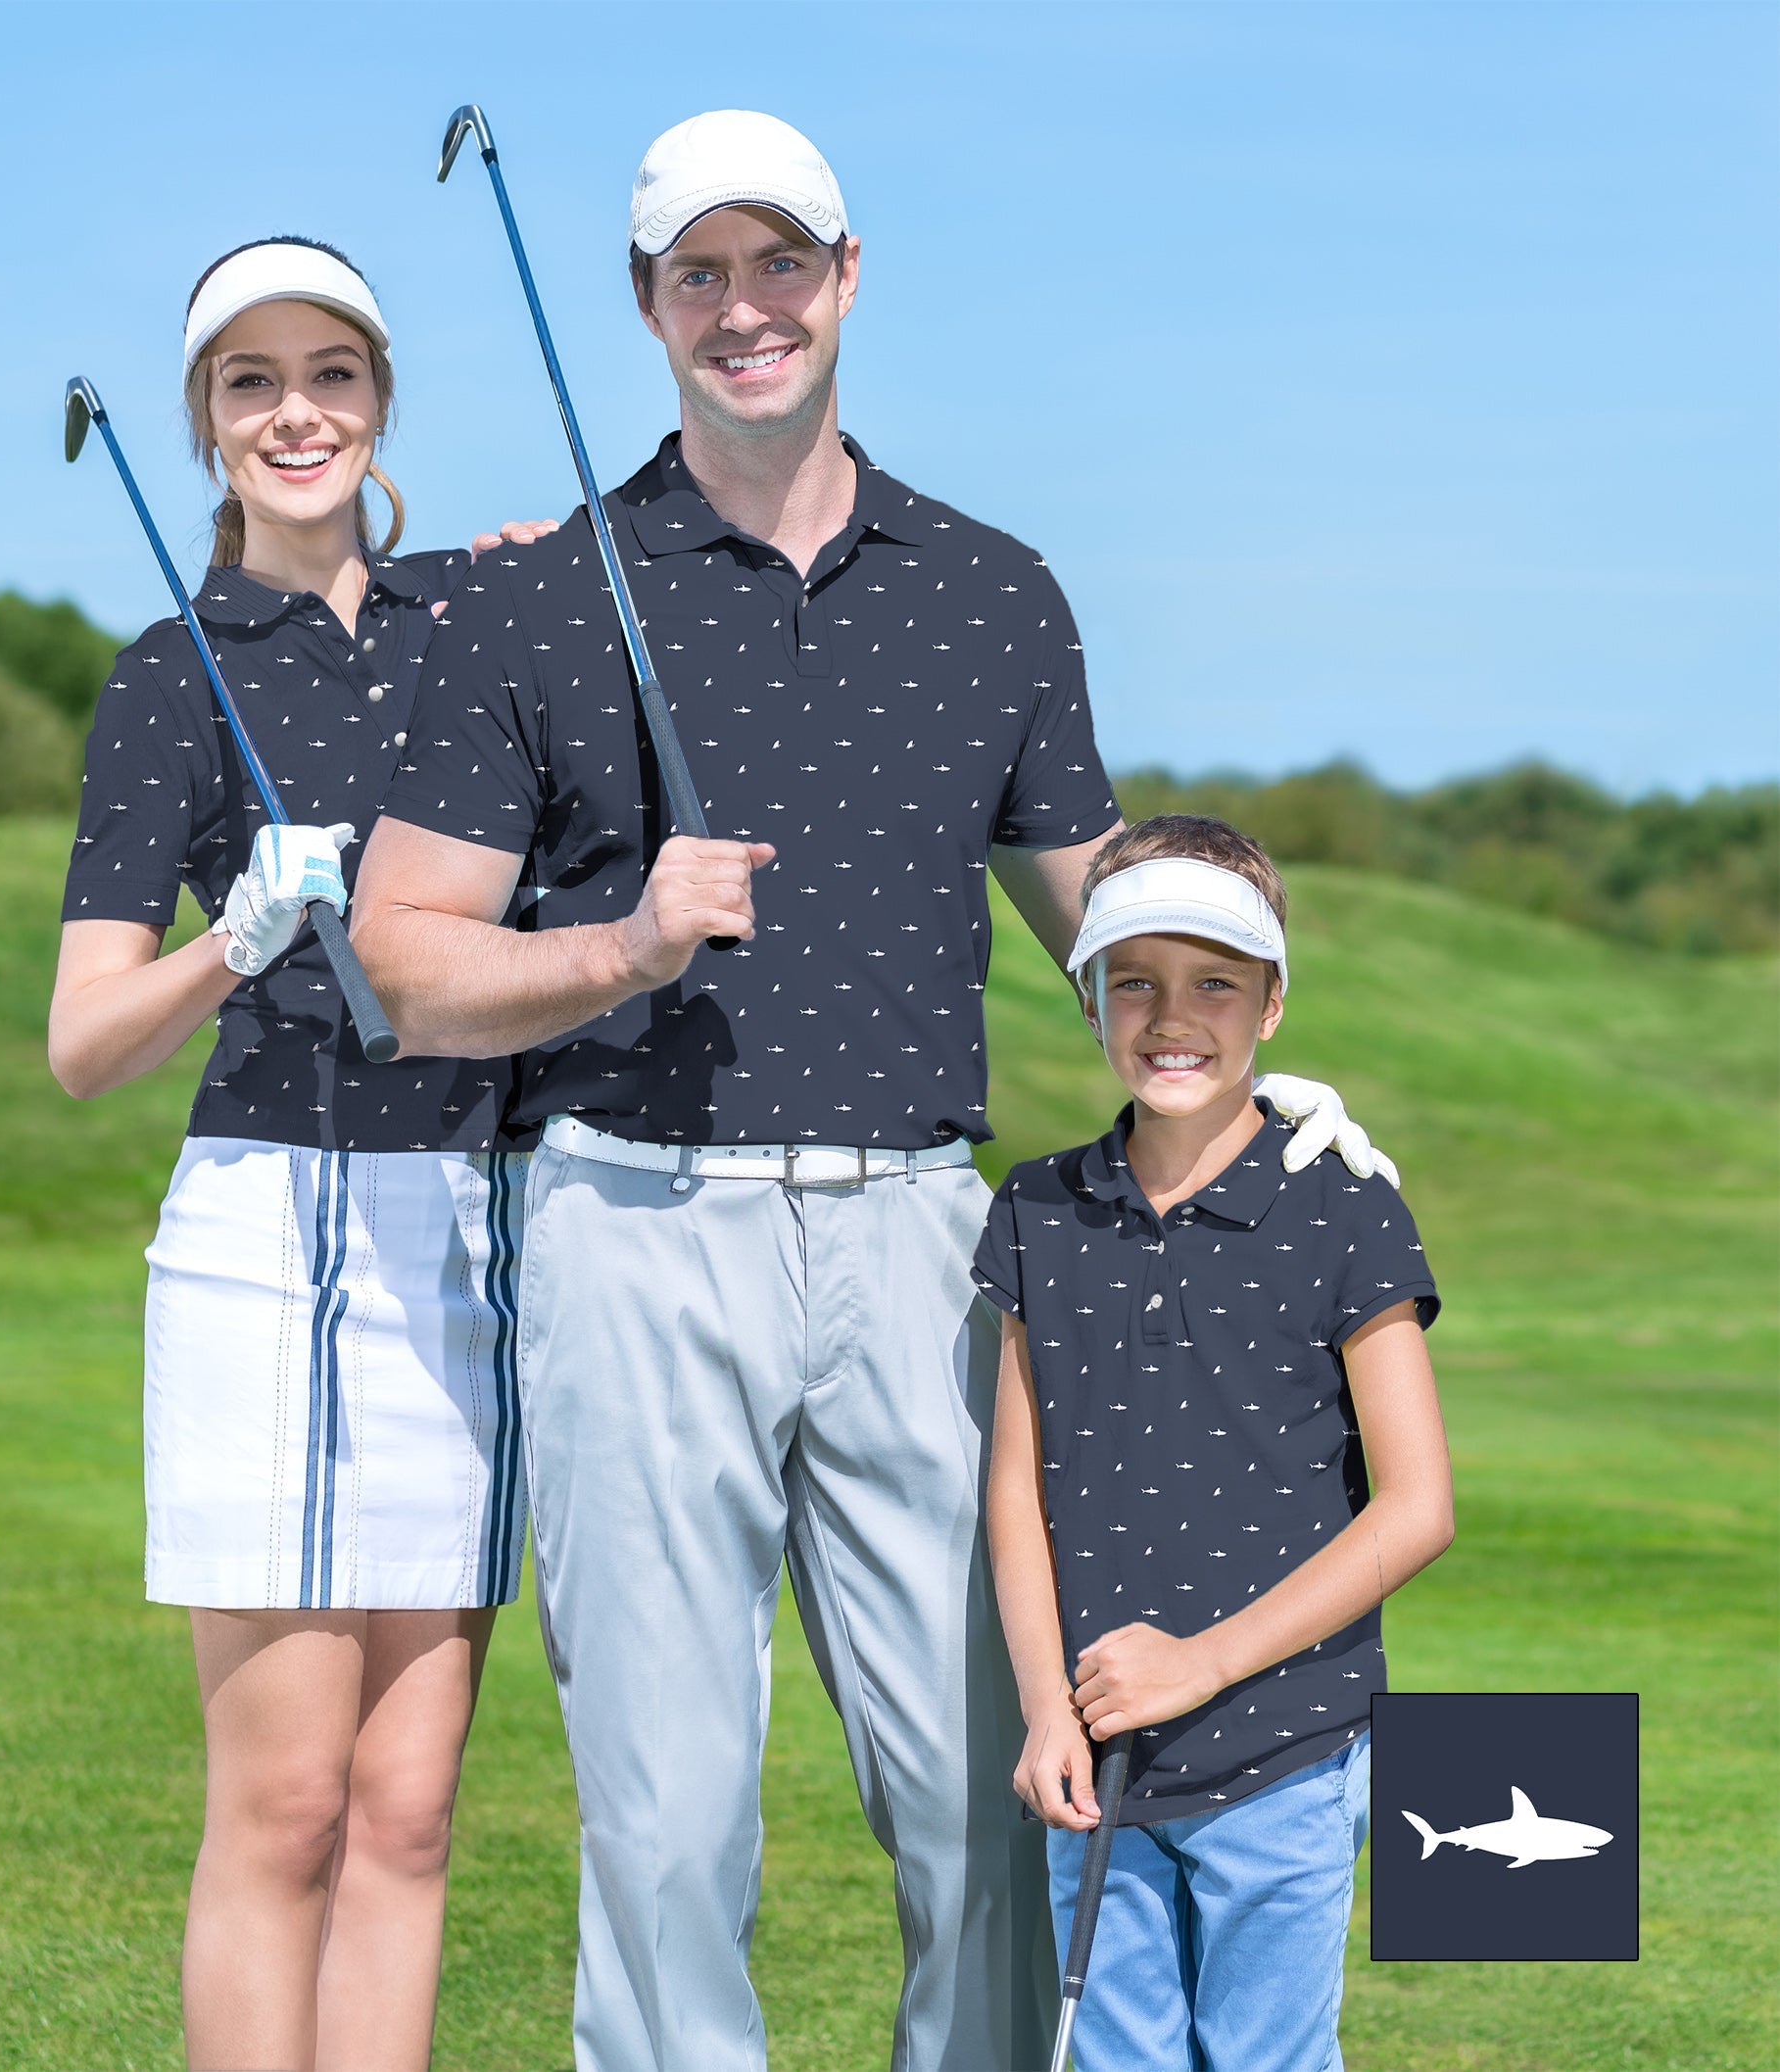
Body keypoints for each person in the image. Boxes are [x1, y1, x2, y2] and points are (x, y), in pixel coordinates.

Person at [350, 114, 1385, 2071]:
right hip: (630, 1227)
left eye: (779, 264)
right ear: (646, 306)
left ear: (845, 275)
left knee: (996, 1788)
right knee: (667, 1822)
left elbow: (1106, 924)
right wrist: (612, 950)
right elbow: (403, 956)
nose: (745, 309)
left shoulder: (997, 595)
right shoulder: (534, 598)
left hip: (926, 1244)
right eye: (698, 274)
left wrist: (1260, 1052)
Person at [48, 236, 553, 2072]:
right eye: (251, 382)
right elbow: (84, 1042)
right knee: (285, 1809)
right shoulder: (164, 677)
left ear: (379, 401)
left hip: (459, 1232)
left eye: (329, 374)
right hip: (266, 1228)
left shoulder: (482, 631)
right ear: (205, 422)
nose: (295, 413)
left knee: (410, 1809)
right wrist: (233, 941)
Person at [978, 814, 1455, 2072]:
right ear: (1087, 997)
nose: (1170, 1014)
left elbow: (1417, 1507)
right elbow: (1014, 1488)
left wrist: (1200, 1666)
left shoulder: (1347, 1205)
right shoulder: (1037, 1208)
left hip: (1286, 1747)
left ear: (1271, 1006)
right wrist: (1043, 1710)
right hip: (1095, 1754)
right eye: (1132, 979)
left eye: (1214, 984)